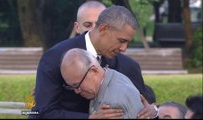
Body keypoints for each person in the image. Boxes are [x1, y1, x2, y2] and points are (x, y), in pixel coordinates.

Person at [29, 5, 157, 119]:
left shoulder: (129, 66)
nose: (124, 49)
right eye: (121, 41)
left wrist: (154, 111)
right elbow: (42, 112)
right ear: (103, 29)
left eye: (128, 42)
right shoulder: (55, 57)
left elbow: (146, 103)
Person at [60, 48, 144, 119]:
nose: (76, 91)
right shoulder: (111, 76)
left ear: (94, 71)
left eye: (77, 85)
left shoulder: (112, 105)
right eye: (71, 86)